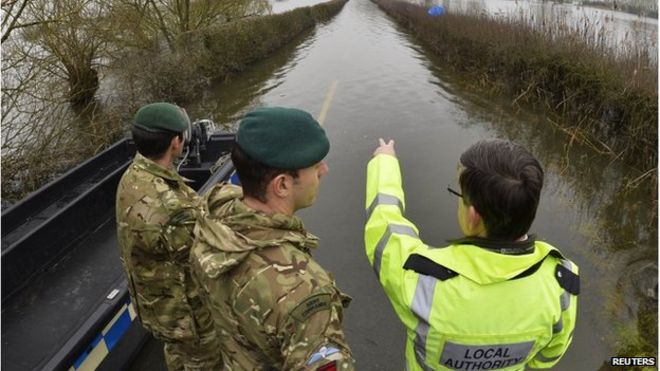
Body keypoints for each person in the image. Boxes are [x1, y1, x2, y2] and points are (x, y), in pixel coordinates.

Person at [364, 138, 579, 371]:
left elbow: (384, 224)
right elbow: (545, 358)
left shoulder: (423, 281)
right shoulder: (561, 284)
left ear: (473, 216)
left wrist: (384, 161)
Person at [190, 107, 355, 370]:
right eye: (315, 165)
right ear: (282, 185)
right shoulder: (304, 293)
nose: (324, 169)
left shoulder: (213, 219)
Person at [116, 102, 221, 370]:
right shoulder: (171, 207)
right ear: (175, 143)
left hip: (159, 310)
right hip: (190, 321)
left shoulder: (132, 177)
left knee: (177, 358)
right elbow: (209, 258)